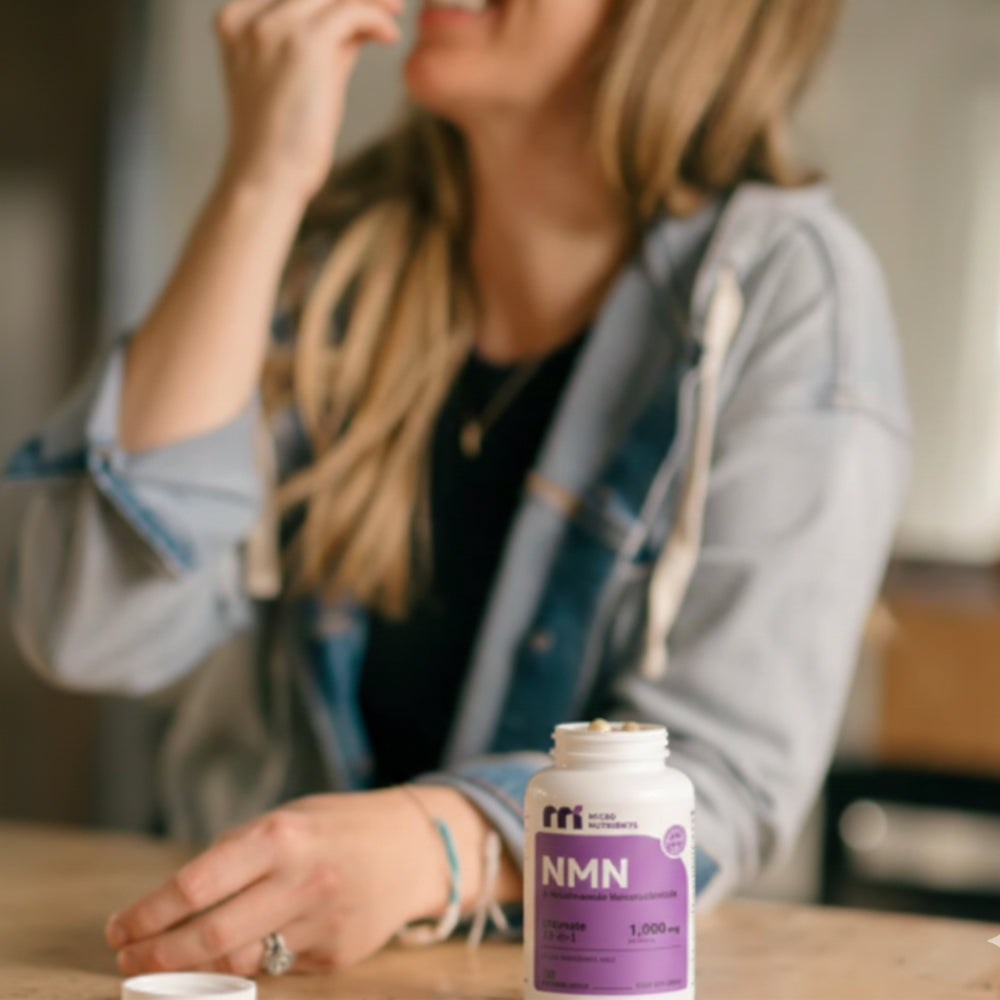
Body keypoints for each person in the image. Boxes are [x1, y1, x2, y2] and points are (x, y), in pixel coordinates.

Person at [4, 0, 910, 979]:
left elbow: (723, 777)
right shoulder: (330, 255)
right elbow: (91, 628)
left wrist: (431, 845)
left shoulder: (784, 291)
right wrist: (260, 181)